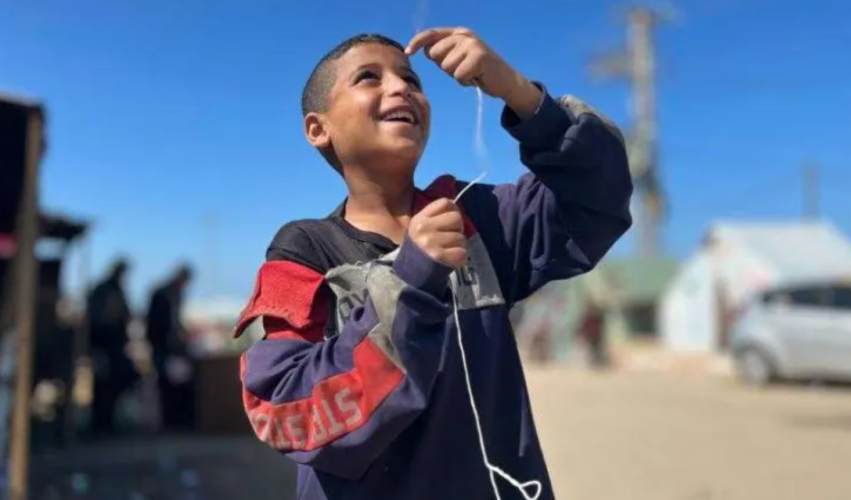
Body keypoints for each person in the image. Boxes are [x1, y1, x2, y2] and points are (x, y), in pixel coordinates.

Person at [233, 29, 632, 500]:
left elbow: (598, 197)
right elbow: (284, 407)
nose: (401, 88)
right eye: (368, 78)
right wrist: (411, 280)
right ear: (318, 128)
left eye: (411, 79)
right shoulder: (304, 250)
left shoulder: (479, 218)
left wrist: (519, 93)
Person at [86, 258, 137, 436]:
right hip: (106, 345)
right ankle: (101, 423)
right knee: (105, 386)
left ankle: (106, 422)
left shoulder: (110, 289)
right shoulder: (106, 290)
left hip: (112, 345)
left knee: (112, 384)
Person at [145, 264, 195, 431]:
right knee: (167, 384)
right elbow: (161, 325)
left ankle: (175, 419)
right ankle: (171, 421)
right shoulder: (164, 295)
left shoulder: (171, 294)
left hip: (168, 347)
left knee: (174, 383)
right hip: (163, 347)